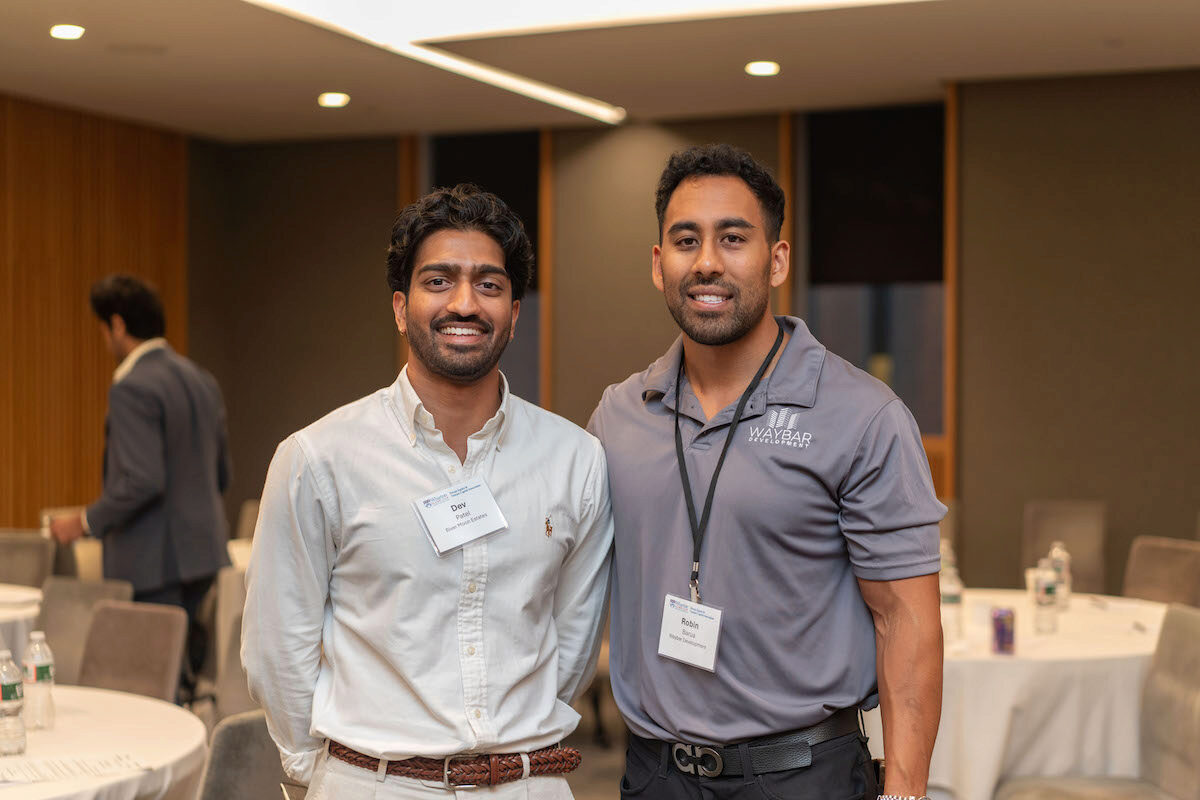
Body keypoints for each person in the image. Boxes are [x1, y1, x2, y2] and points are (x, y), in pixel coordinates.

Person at [587, 144, 946, 800]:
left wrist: (906, 792)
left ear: (777, 259)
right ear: (658, 263)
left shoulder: (861, 416)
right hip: (654, 778)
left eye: (733, 238)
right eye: (685, 239)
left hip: (803, 775)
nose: (707, 262)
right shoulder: (619, 416)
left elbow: (907, 622)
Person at [243, 184, 614, 799]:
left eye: (489, 285)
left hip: (527, 785)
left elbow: (571, 647)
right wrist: (334, 776)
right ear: (400, 306)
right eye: (439, 281)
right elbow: (277, 649)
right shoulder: (318, 460)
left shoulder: (575, 460)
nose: (464, 303)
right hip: (373, 784)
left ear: (515, 314)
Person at [50, 274, 232, 697]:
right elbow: (222, 474)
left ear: (116, 325)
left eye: (102, 329)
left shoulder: (131, 386)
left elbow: (141, 480)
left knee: (148, 692)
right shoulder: (202, 380)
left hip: (153, 563)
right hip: (202, 556)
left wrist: (83, 520)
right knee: (180, 684)